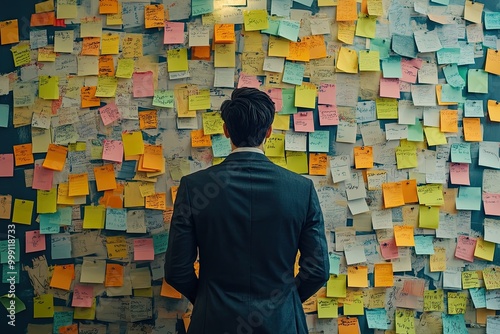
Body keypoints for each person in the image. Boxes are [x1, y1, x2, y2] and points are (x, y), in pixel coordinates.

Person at [165, 87, 329, 334]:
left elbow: (176, 270)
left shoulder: (193, 187)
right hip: (282, 324)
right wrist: (284, 301)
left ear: (226, 131)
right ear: (269, 132)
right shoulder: (301, 189)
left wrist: (207, 300)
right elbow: (317, 271)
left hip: (214, 322)